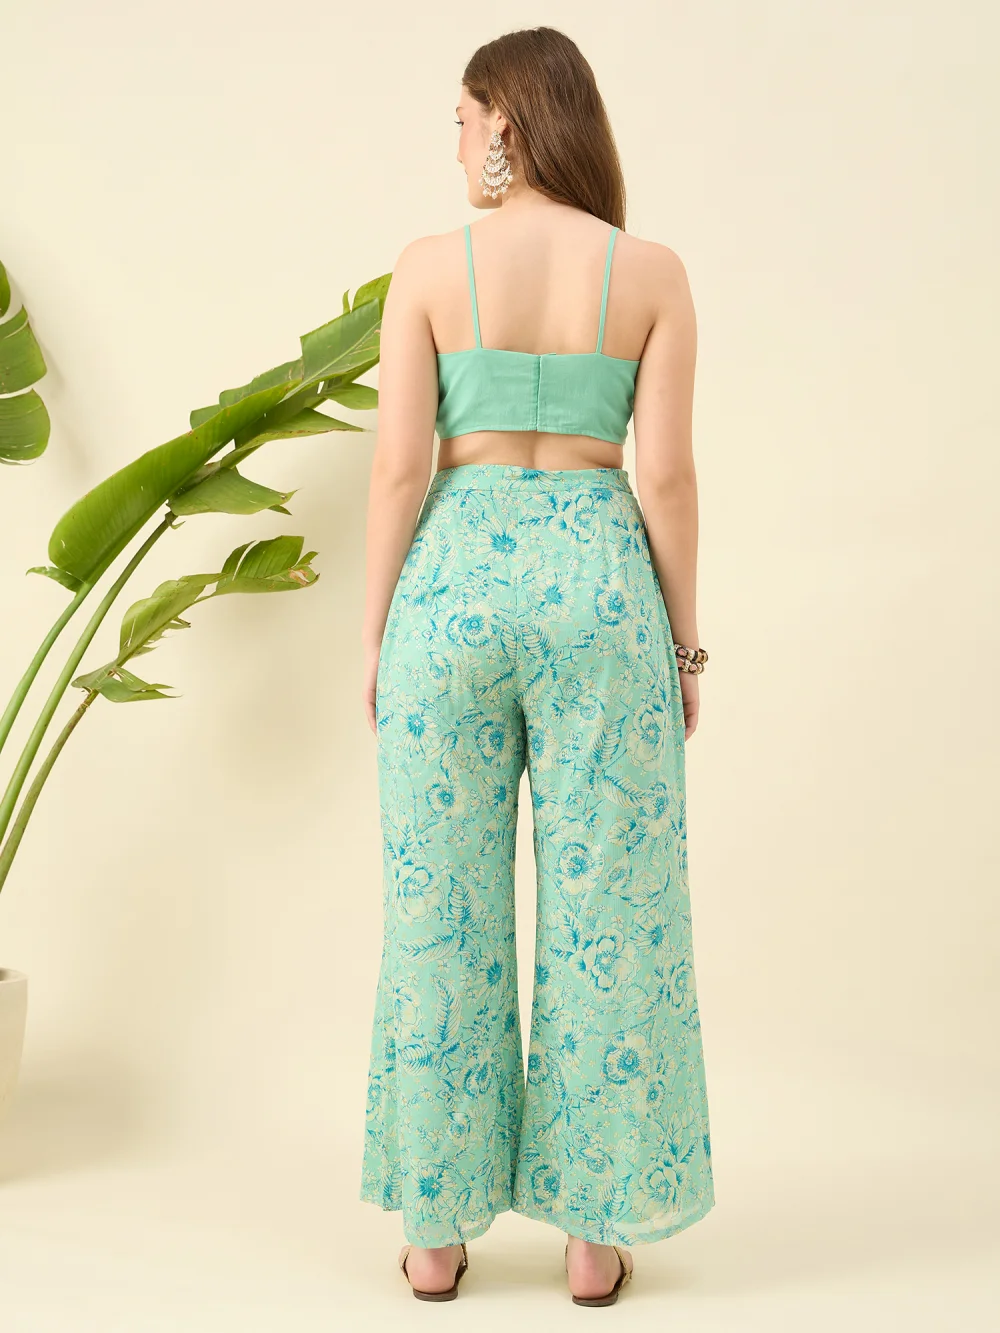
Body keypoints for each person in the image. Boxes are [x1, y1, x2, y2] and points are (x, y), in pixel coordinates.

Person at [359, 25, 714, 1306]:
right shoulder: (650, 273)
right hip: (598, 591)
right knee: (609, 909)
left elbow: (398, 469)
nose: (457, 145)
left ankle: (435, 1232)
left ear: (506, 121)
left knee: (439, 910)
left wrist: (377, 636)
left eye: (462, 120)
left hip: (450, 593)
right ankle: (593, 1235)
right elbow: (663, 478)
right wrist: (683, 644)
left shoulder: (427, 268)